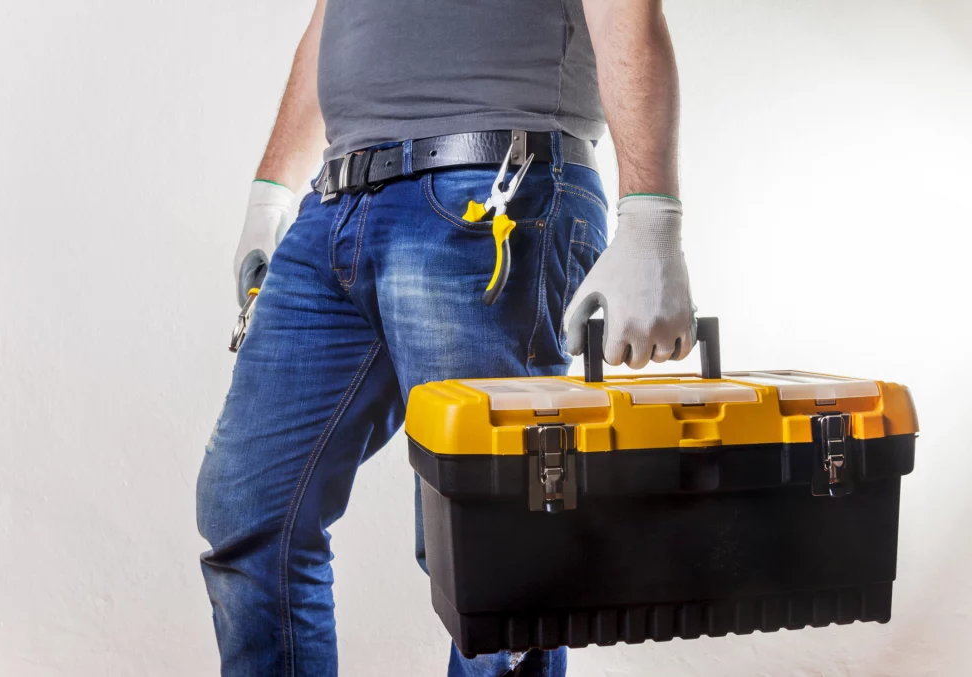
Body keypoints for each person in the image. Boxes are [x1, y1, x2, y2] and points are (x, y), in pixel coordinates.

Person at [197, 0, 695, 674]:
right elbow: (330, 20)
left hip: (493, 192)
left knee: (493, 547)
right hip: (334, 206)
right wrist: (270, 191)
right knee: (249, 506)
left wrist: (651, 215)